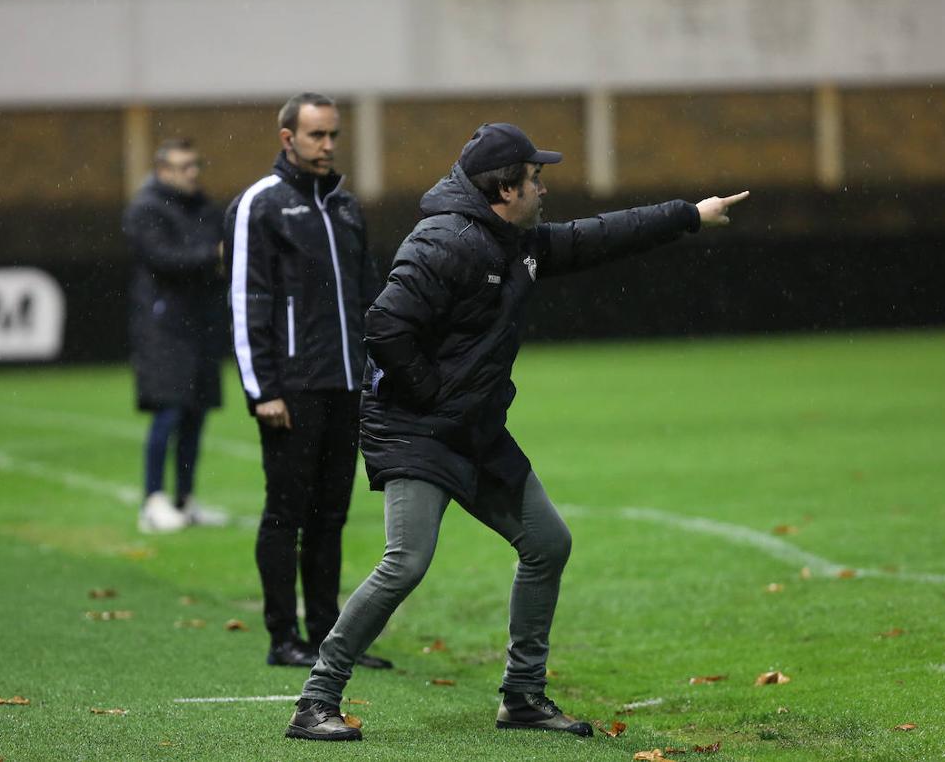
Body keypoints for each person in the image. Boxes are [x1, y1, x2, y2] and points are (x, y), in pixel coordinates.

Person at [286, 122, 749, 741]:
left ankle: (523, 696)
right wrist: (432, 396)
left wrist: (689, 214)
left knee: (547, 543)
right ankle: (315, 700)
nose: (543, 187)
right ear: (504, 189)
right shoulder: (443, 241)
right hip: (415, 429)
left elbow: (598, 236)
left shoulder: (517, 240)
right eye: (536, 178)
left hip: (471, 428)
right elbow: (385, 327)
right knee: (406, 562)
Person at [225, 92, 392, 670]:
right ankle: (282, 637)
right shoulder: (260, 206)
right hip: (292, 390)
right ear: (287, 138)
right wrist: (261, 390)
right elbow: (247, 303)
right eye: (317, 135)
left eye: (333, 135)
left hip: (347, 387)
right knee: (285, 514)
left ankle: (328, 637)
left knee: (331, 515)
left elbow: (370, 296)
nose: (327, 146)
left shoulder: (345, 207)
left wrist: (379, 370)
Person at [124, 138, 232, 534]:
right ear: (162, 170)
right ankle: (152, 501)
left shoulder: (204, 207)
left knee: (196, 415)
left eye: (195, 165)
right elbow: (163, 259)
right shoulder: (145, 209)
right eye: (184, 166)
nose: (193, 173)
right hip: (163, 328)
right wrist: (213, 255)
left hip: (201, 322)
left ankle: (185, 500)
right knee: (167, 413)